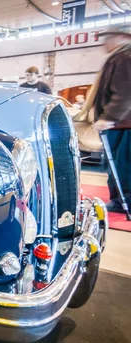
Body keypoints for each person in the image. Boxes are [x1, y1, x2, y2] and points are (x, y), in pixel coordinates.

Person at [79, 24, 131, 212]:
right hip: (121, 123)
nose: (105, 42)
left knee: (122, 165)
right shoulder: (120, 57)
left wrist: (109, 117)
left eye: (109, 38)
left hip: (123, 124)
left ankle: (123, 202)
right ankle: (119, 199)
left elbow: (125, 93)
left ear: (121, 37)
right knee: (118, 164)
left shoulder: (125, 58)